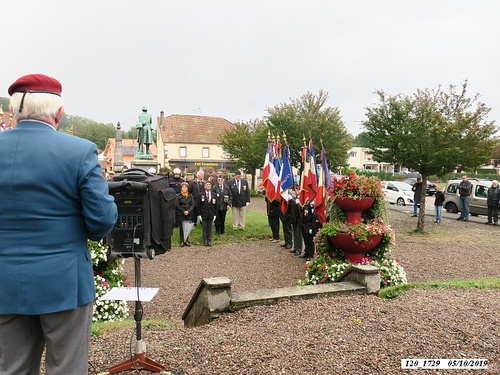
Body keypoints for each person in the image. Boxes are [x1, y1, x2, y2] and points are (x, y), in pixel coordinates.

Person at [0, 74, 118, 375]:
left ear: (13, 110)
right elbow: (102, 219)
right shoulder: (78, 151)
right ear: (59, 113)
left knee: (11, 369)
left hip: (4, 280)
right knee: (66, 368)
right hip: (63, 280)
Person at [175, 182, 195, 247]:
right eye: (183, 187)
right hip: (181, 213)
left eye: (185, 187)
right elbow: (177, 205)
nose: (184, 189)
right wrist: (183, 211)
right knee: (182, 227)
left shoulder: (190, 195)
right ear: (181, 188)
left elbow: (192, 204)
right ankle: (182, 241)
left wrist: (188, 211)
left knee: (187, 227)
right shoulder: (178, 196)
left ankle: (186, 240)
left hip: (189, 213)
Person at [198, 181, 217, 246]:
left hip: (211, 214)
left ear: (211, 186)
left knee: (210, 228)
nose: (208, 186)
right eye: (207, 185)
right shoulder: (201, 195)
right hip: (204, 214)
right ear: (204, 186)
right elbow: (198, 205)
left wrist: (215, 214)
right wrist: (199, 214)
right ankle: (205, 240)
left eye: (209, 185)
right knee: (204, 228)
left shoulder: (214, 195)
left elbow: (216, 206)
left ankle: (209, 240)